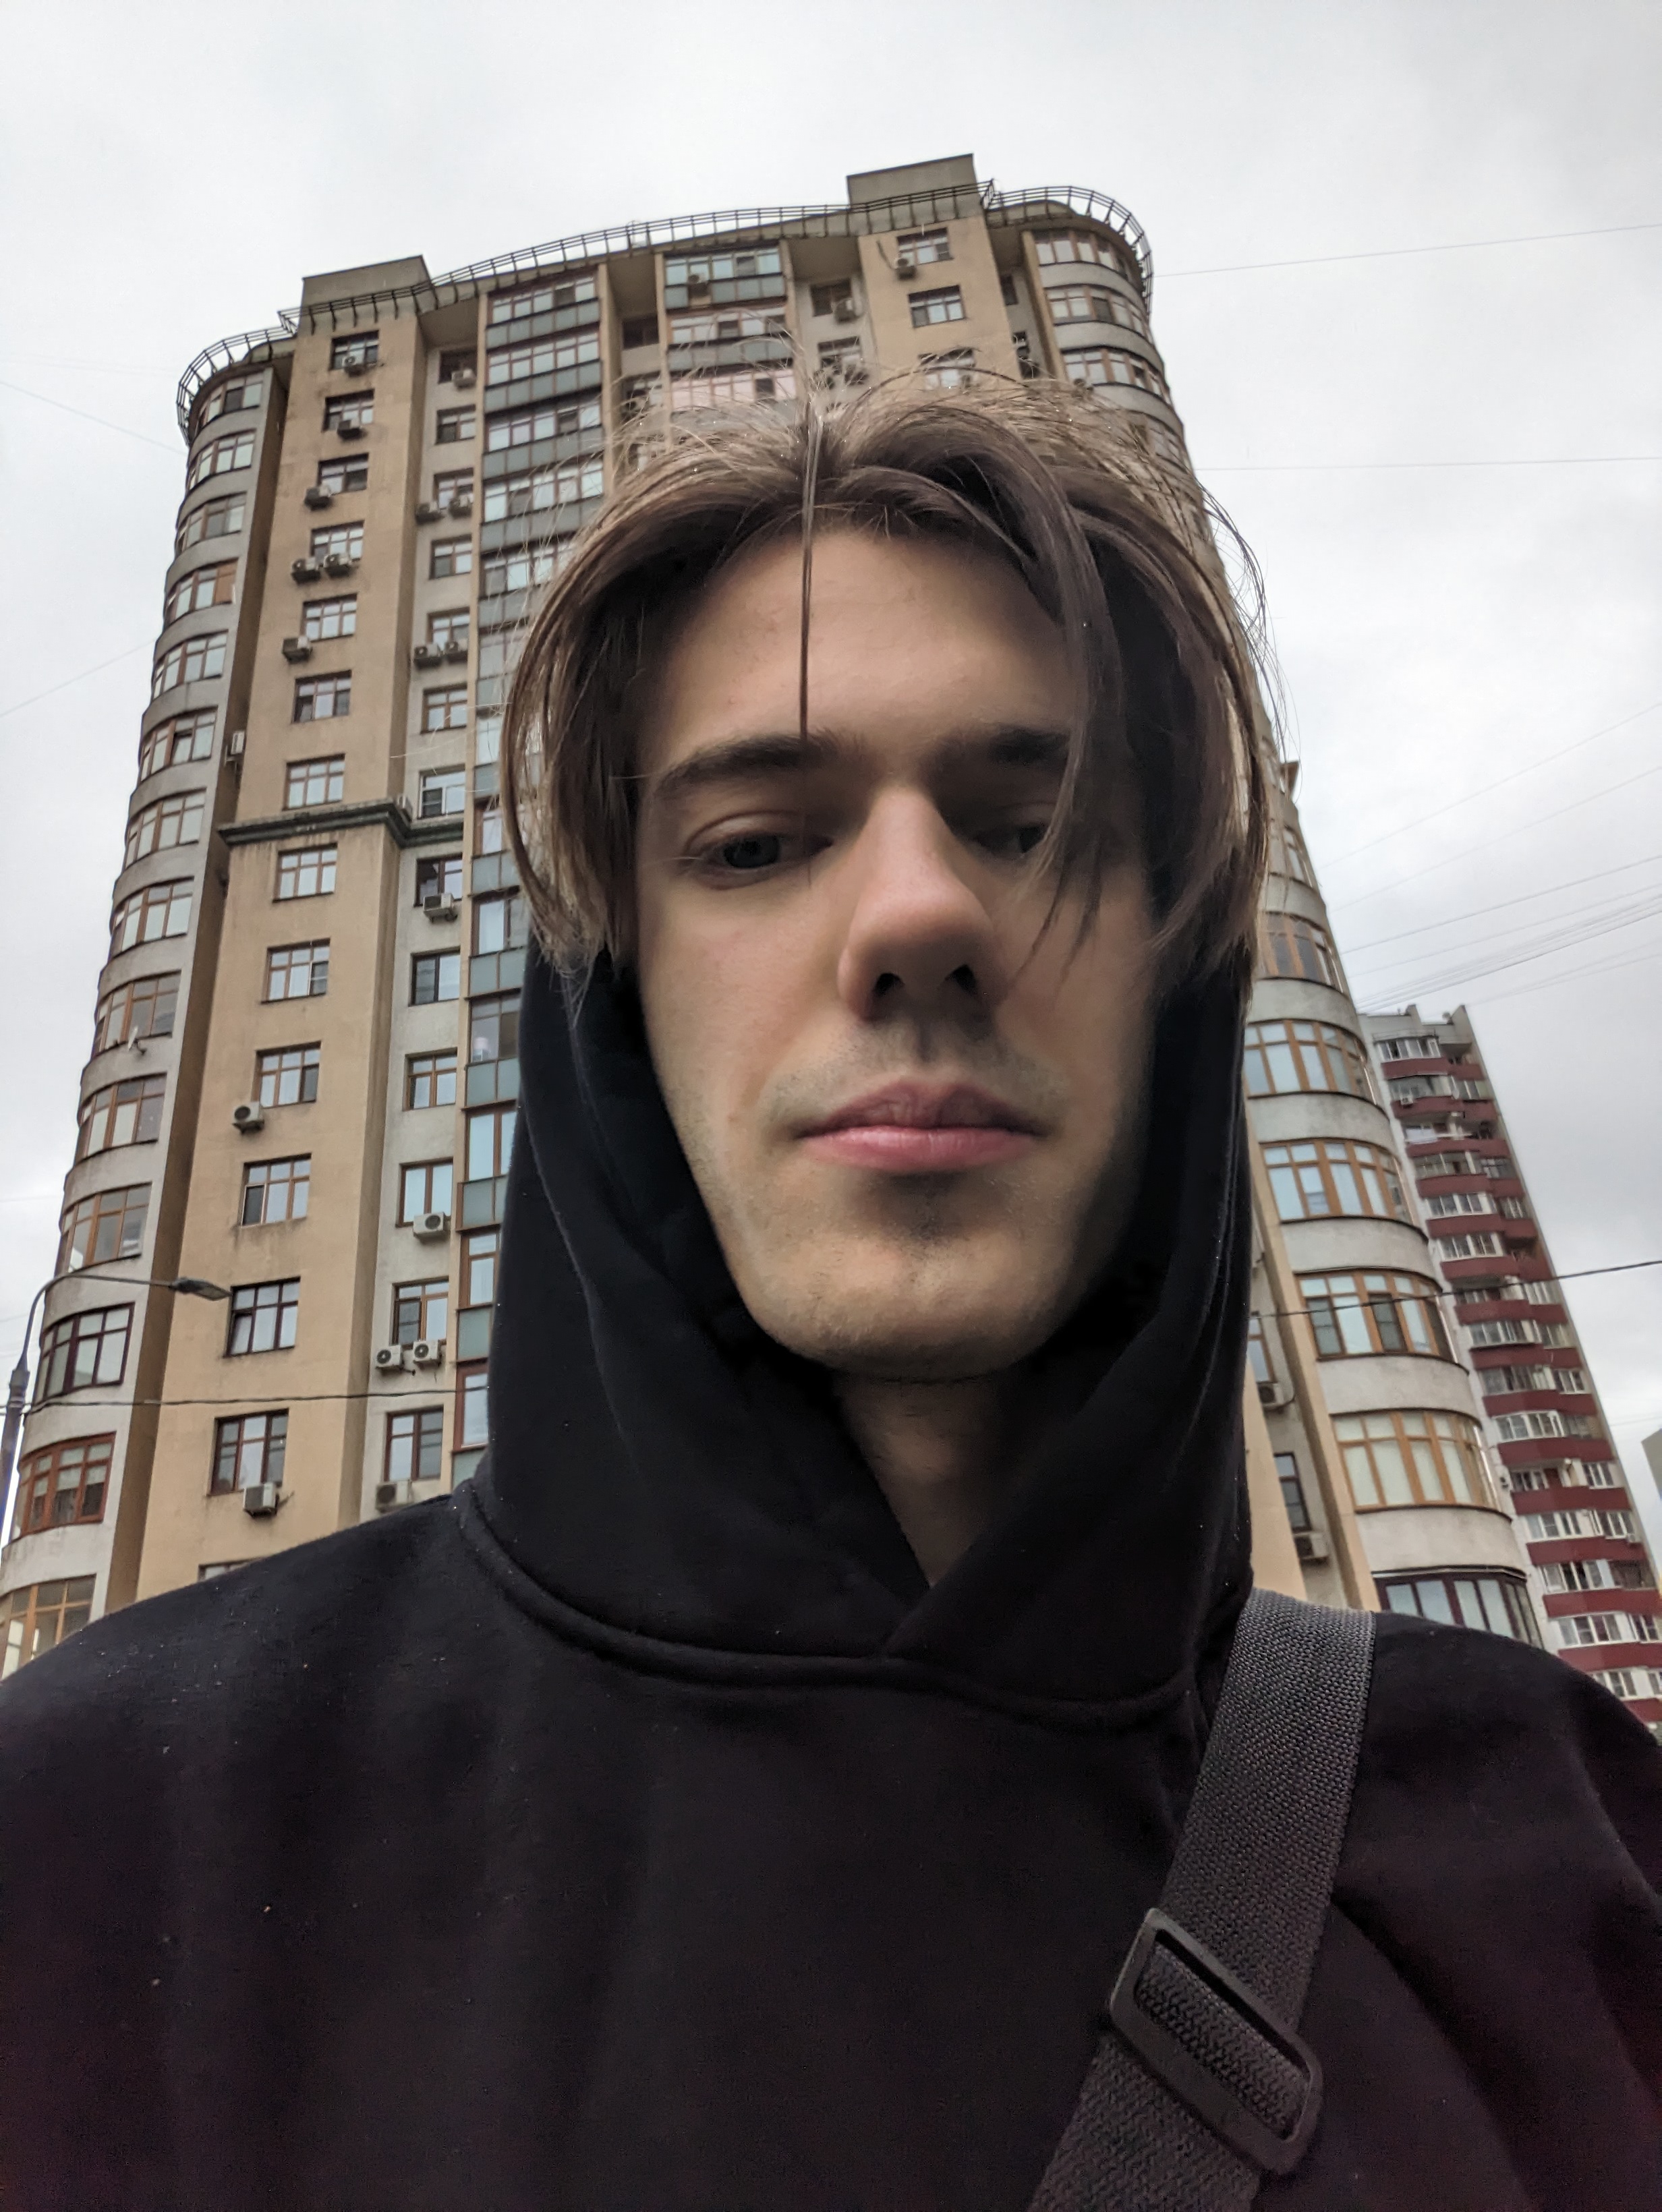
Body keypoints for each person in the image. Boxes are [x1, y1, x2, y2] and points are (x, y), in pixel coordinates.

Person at [1, 380, 1657, 2211]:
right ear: (611, 990)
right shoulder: (103, 1834)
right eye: (756, 843)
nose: (917, 916)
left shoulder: (1565, 1852)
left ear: (1180, 970)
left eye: (1032, 823)